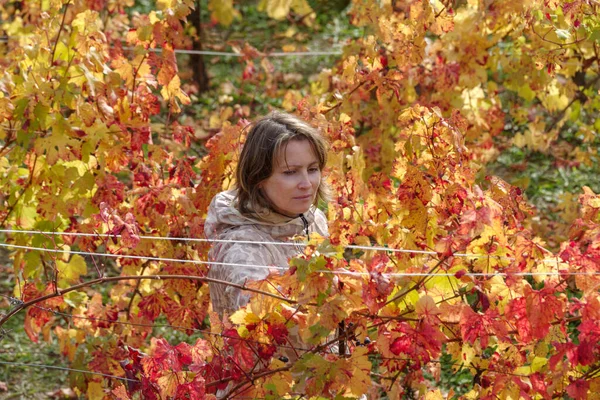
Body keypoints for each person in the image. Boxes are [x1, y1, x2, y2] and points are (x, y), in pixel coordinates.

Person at [205, 111, 329, 318]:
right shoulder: (241, 244)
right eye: (290, 172)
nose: (307, 183)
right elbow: (256, 309)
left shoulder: (314, 220)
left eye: (313, 169)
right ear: (258, 177)